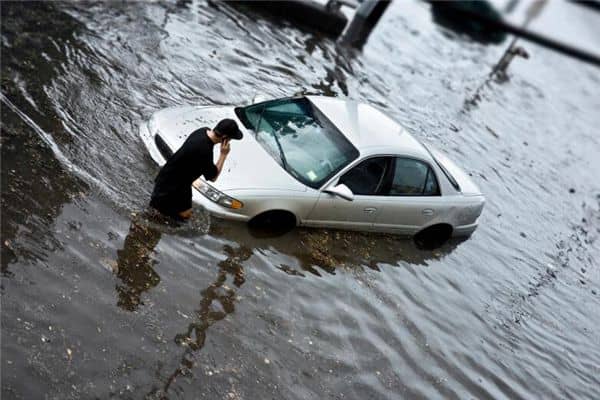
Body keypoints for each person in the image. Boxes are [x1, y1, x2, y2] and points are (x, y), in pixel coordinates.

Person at [150, 118, 243, 220]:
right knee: (160, 215)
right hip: (171, 186)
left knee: (185, 214)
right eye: (231, 138)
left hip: (175, 179)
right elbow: (213, 177)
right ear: (225, 137)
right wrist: (223, 155)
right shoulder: (205, 151)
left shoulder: (202, 131)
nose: (230, 141)